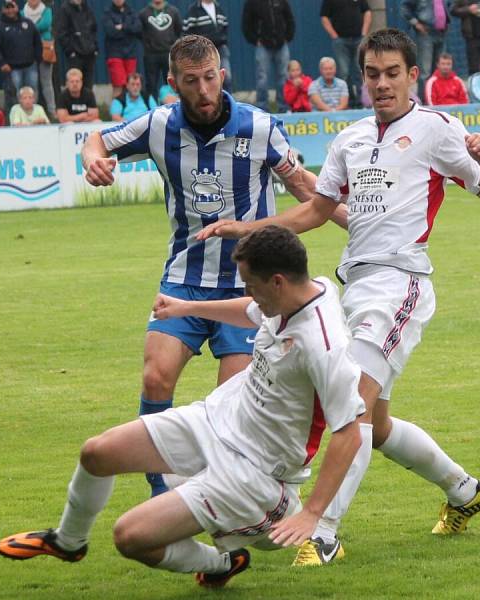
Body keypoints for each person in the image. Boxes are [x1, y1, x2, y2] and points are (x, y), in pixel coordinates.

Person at [197, 28, 480, 565]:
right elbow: (315, 211)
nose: (381, 84)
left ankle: (323, 532)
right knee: (375, 424)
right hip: (354, 287)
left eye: (392, 73)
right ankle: (465, 491)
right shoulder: (351, 138)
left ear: (414, 76)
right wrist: (246, 228)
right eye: (372, 74)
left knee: (353, 407)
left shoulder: (437, 129)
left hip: (401, 283)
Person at [0, 225, 366, 588]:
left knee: (130, 537)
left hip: (255, 473)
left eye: (252, 285)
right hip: (215, 420)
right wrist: (188, 307)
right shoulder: (299, 291)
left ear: (278, 281)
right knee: (98, 452)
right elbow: (253, 311)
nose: (251, 294)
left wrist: (314, 514)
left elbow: (349, 432)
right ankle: (68, 542)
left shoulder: (323, 345)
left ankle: (223, 562)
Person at [79, 35, 322, 498]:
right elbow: (96, 140)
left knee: (227, 405)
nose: (205, 90)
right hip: (184, 279)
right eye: (192, 81)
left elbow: (301, 185)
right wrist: (94, 161)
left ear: (222, 74)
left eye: (210, 78)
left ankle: (215, 495)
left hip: (250, 289)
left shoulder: (261, 127)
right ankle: (159, 491)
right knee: (155, 376)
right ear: (173, 83)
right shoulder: (158, 125)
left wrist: (349, 210)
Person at [242, 0, 295, 113]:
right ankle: (262, 108)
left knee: (283, 77)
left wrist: (288, 37)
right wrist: (255, 39)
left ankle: (283, 107)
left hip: (281, 45)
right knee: (262, 78)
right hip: (263, 46)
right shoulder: (252, 3)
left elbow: (289, 18)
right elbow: (246, 23)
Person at [0, 0, 42, 113]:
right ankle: (14, 118)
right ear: (3, 10)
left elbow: (37, 41)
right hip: (12, 68)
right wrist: (2, 63)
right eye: (7, 8)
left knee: (33, 93)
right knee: (14, 95)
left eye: (12, 7)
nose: (10, 10)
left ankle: (33, 117)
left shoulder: (28, 23)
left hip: (30, 66)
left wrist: (38, 59)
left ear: (17, 8)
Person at [320, 0, 371, 108]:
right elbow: (324, 17)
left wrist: (364, 33)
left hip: (358, 39)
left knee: (360, 70)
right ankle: (348, 102)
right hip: (341, 41)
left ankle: (361, 101)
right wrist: (334, 35)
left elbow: (367, 11)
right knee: (344, 72)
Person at [402, 0, 452, 102]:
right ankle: (424, 102)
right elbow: (404, 8)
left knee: (439, 71)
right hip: (426, 33)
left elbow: (449, 5)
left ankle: (437, 99)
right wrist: (416, 23)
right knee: (425, 72)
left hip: (442, 33)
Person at [139, 0, 183, 102]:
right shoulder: (143, 13)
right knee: (151, 84)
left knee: (171, 82)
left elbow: (179, 30)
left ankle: (170, 106)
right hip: (150, 55)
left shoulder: (173, 11)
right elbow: (139, 32)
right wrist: (148, 44)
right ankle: (152, 107)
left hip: (169, 54)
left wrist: (172, 44)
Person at [183, 1, 232, 91]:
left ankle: (227, 103)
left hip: (220, 49)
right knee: (206, 79)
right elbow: (187, 32)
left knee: (226, 78)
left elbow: (225, 26)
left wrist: (223, 40)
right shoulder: (194, 10)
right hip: (202, 51)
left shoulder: (218, 8)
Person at [22, 0, 56, 115]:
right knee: (32, 83)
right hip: (28, 51)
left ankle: (52, 111)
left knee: (46, 82)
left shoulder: (47, 11)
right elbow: (23, 27)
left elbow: (46, 24)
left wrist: (29, 27)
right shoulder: (22, 13)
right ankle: (32, 111)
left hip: (45, 50)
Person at [56, 0, 99, 91]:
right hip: (75, 54)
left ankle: (87, 104)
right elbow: (61, 32)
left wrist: (95, 48)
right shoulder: (65, 9)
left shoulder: (87, 8)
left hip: (89, 53)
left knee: (88, 85)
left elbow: (94, 28)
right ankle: (73, 104)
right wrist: (70, 51)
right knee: (74, 84)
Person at [104, 0, 142, 100]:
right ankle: (116, 113)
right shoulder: (108, 12)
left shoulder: (132, 11)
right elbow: (111, 32)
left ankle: (129, 112)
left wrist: (122, 27)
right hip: (115, 54)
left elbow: (138, 28)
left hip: (130, 53)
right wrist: (129, 29)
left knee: (131, 84)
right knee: (118, 85)